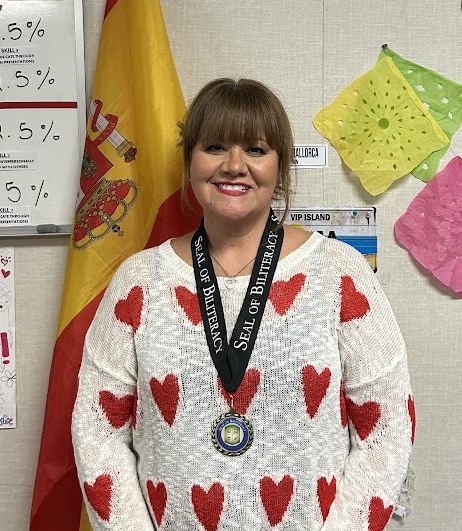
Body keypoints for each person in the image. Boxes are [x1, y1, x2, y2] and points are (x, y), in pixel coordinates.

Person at [72, 78, 414, 530]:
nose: (234, 166)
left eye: (255, 149)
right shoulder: (139, 282)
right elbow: (97, 428)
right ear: (190, 161)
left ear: (280, 167)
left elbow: (387, 424)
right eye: (215, 146)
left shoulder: (339, 273)